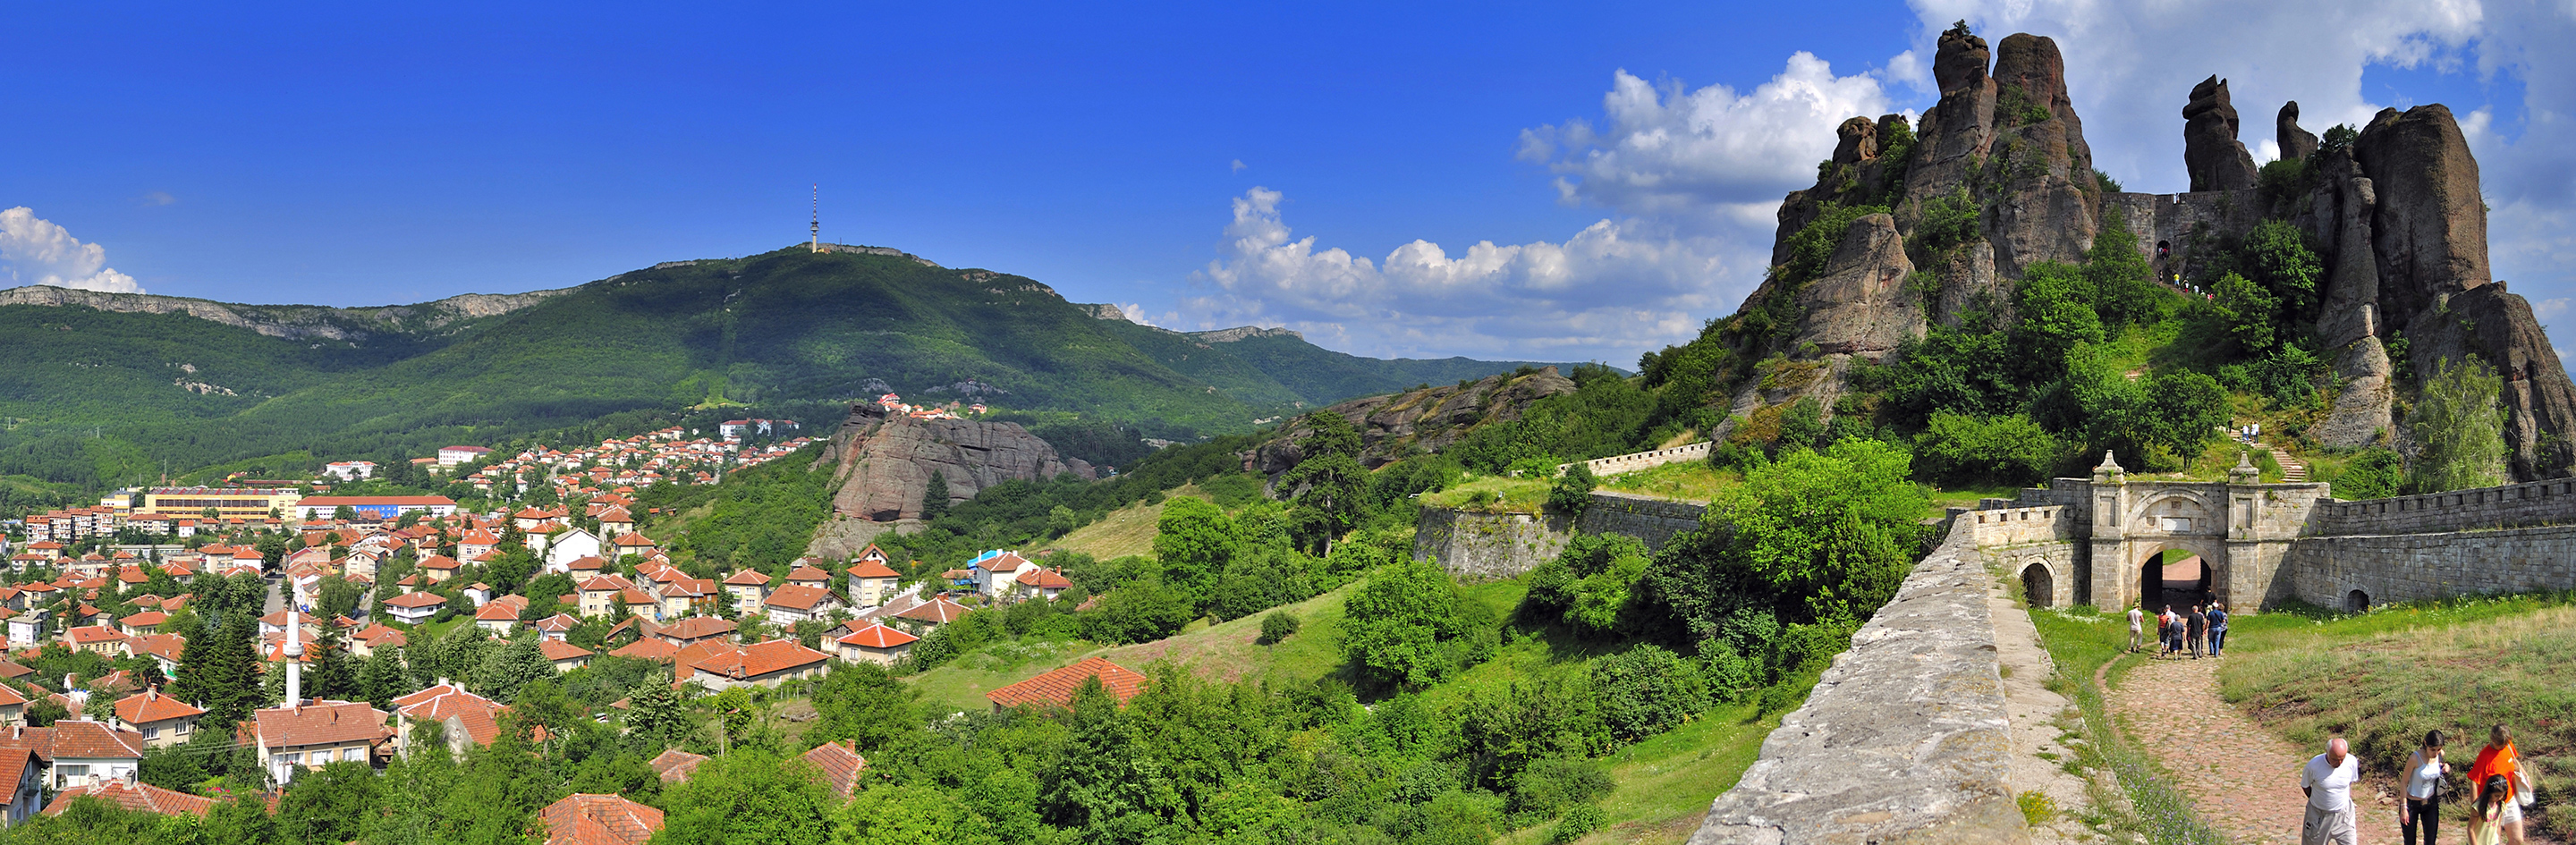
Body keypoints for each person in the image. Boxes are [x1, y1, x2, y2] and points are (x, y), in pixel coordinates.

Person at [2470, 724, 2537, 845]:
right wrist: (2476, 805)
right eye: (2500, 744)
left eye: (2504, 744)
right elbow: (2474, 781)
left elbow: (2514, 761)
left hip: (2509, 800)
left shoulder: (2508, 745)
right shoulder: (2484, 756)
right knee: (2495, 841)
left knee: (2517, 840)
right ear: (2492, 739)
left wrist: (2526, 776)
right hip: (2492, 803)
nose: (2502, 747)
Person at [2303, 736, 2360, 845]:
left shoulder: (2351, 761)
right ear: (2327, 753)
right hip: (2319, 817)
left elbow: (2349, 783)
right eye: (2335, 759)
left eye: (2342, 759)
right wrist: (2319, 800)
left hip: (2344, 816)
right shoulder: (2313, 765)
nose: (2339, 763)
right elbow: (2305, 786)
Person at [2402, 730, 2451, 845]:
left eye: (2438, 749)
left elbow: (2438, 766)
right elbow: (2404, 782)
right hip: (2412, 803)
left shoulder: (2439, 755)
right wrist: (2404, 808)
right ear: (2425, 743)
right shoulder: (2415, 758)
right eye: (2432, 749)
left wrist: (2445, 767)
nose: (2435, 753)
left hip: (2431, 803)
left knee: (2431, 841)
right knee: (2410, 842)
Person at [2470, 774, 2510, 845]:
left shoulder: (2501, 806)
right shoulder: (2477, 807)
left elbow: (2498, 826)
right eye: (2496, 796)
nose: (2500, 798)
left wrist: (2498, 841)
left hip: (2493, 843)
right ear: (2489, 792)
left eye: (2502, 795)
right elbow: (2470, 829)